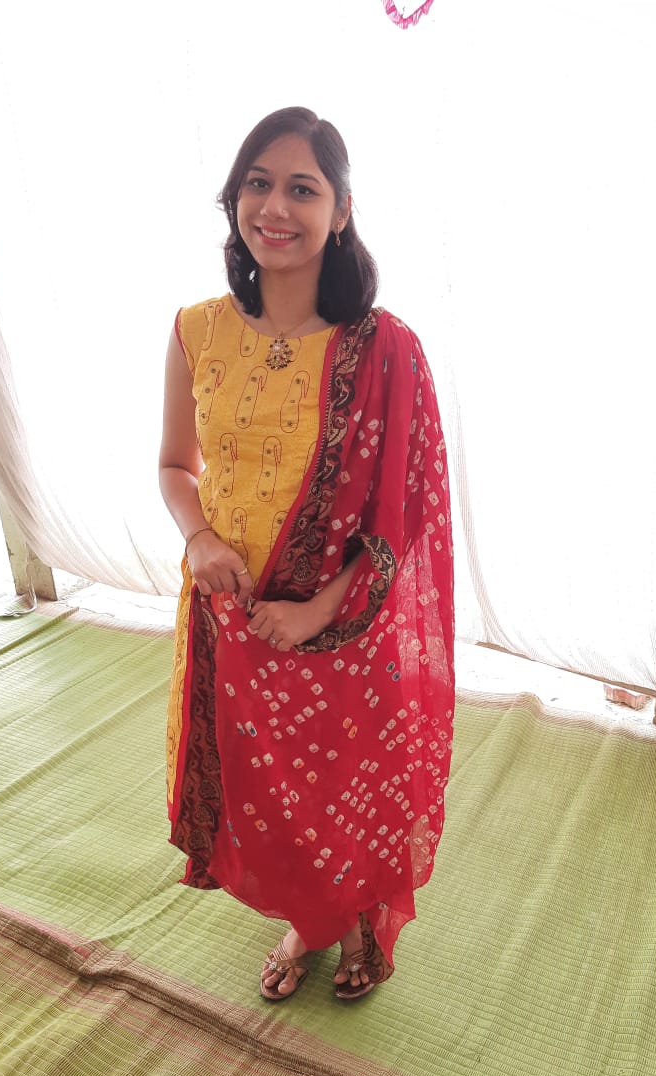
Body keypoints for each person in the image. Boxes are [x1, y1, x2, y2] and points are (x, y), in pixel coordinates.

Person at [159, 107, 454, 1002]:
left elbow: (405, 514)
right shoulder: (196, 329)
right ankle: (309, 920)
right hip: (230, 616)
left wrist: (319, 609)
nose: (275, 208)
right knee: (264, 791)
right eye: (258, 183)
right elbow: (174, 467)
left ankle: (356, 918)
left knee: (341, 782)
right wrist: (200, 538)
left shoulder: (386, 348)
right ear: (234, 199)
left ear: (341, 209)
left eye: (302, 188)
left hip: (340, 622)